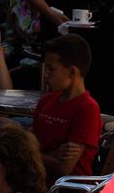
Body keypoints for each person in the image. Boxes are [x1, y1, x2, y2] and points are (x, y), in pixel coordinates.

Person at [20, 0, 114, 115]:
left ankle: (104, 127)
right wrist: (50, 13)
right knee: (61, 80)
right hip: (63, 15)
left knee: (106, 83)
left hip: (102, 15)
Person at [32, 33, 101, 184]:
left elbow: (64, 168)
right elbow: (30, 143)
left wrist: (30, 154)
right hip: (38, 181)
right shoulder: (47, 100)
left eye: (51, 69)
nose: (46, 75)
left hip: (68, 192)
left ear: (72, 72)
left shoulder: (87, 108)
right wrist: (52, 154)